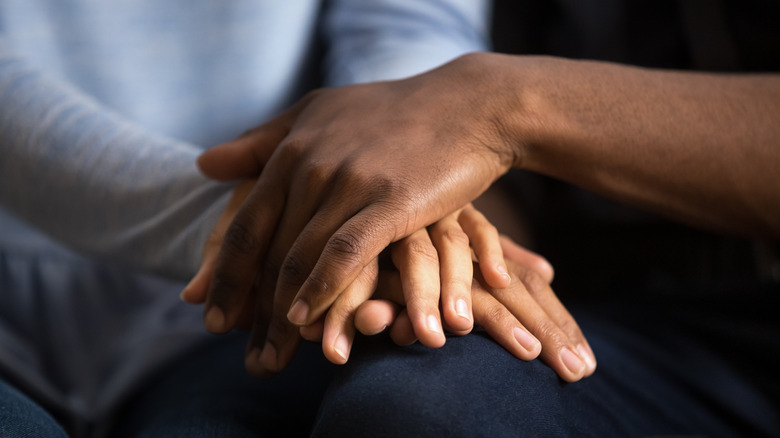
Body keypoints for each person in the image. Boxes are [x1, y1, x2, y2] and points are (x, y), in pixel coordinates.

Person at [195, 0, 780, 436]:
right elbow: (435, 138)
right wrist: (419, 238)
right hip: (594, 309)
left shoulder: (495, 95)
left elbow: (450, 108)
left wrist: (508, 103)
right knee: (417, 407)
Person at [2, 1, 556, 437]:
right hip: (261, 273)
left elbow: (409, 23)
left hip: (243, 323)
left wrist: (405, 187)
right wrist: (283, 223)